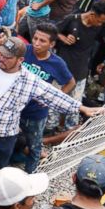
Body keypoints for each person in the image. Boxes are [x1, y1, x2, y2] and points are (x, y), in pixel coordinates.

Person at [0, 36, 104, 177]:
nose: (2, 59)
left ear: (20, 60)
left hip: (4, 137)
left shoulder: (30, 81)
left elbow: (54, 96)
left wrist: (83, 109)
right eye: (1, 54)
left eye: (8, 57)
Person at [18, 23, 74, 174]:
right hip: (14, 108)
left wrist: (52, 99)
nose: (36, 43)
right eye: (35, 38)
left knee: (34, 147)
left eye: (42, 41)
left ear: (52, 44)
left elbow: (70, 82)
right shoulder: (24, 50)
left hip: (35, 114)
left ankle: (30, 178)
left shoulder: (57, 63)